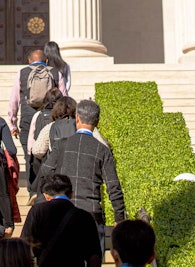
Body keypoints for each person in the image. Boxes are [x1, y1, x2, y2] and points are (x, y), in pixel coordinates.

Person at [39, 99, 125, 256]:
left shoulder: (61, 145)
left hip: (61, 213)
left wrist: (48, 195)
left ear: (77, 118)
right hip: (91, 214)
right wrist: (119, 218)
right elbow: (114, 187)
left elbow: (44, 173)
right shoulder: (102, 150)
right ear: (97, 122)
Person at [8, 49, 67, 202]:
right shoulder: (55, 72)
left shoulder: (21, 73)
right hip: (51, 118)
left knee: (30, 155)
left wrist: (13, 122)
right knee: (51, 154)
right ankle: (50, 190)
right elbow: (64, 97)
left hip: (28, 118)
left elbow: (14, 100)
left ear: (29, 61)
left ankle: (32, 191)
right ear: (46, 61)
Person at [20, 173, 102, 267]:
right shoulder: (84, 216)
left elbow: (24, 244)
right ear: (71, 194)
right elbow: (94, 255)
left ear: (46, 195)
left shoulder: (37, 211)